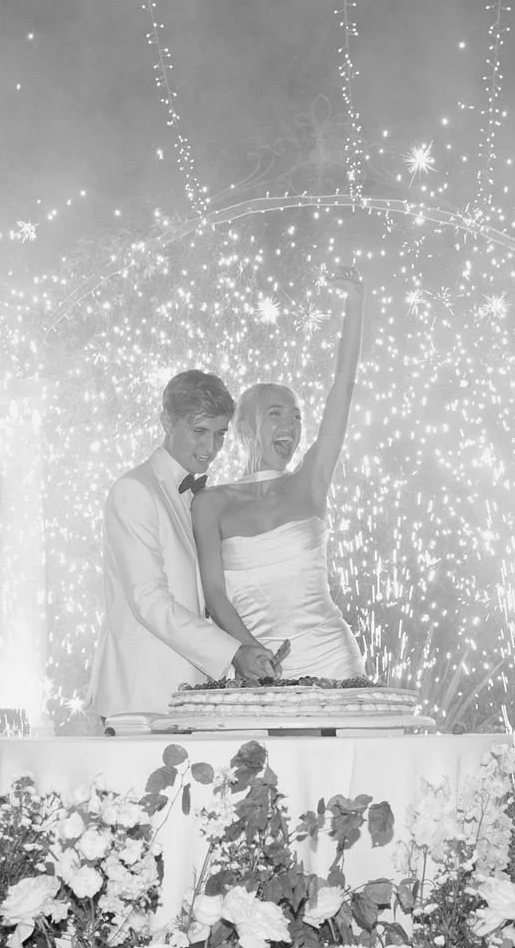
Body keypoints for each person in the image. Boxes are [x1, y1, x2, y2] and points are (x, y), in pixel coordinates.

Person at [192, 266, 368, 681]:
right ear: (246, 427)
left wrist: (356, 307)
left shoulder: (310, 481)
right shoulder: (210, 503)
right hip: (260, 665)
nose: (290, 425)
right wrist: (248, 653)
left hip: (334, 658)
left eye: (296, 417)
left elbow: (343, 387)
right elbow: (214, 595)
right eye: (275, 415)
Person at [91, 370, 280, 728]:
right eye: (199, 432)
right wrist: (233, 652)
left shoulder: (198, 497)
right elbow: (148, 598)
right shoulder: (134, 490)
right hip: (141, 699)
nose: (210, 449)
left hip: (188, 697)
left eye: (220, 435)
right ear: (167, 421)